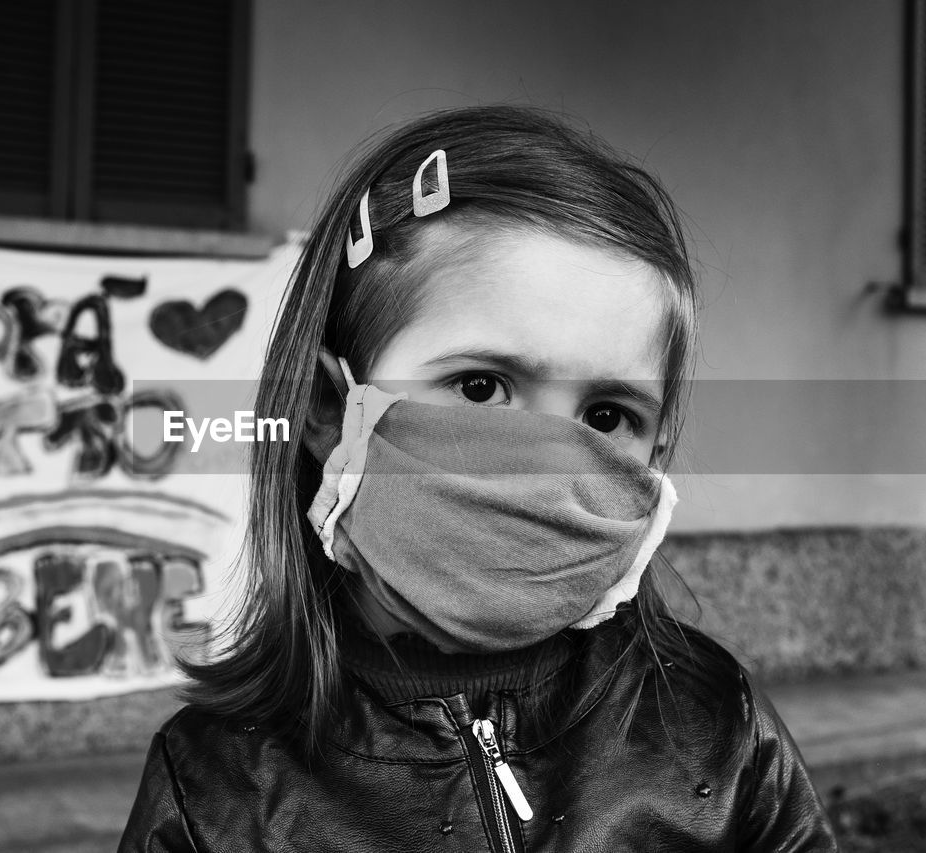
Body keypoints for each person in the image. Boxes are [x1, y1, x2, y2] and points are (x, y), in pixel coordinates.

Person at [118, 105, 838, 852]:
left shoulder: (716, 723)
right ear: (333, 411)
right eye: (482, 387)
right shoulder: (214, 789)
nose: (549, 467)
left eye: (605, 414)